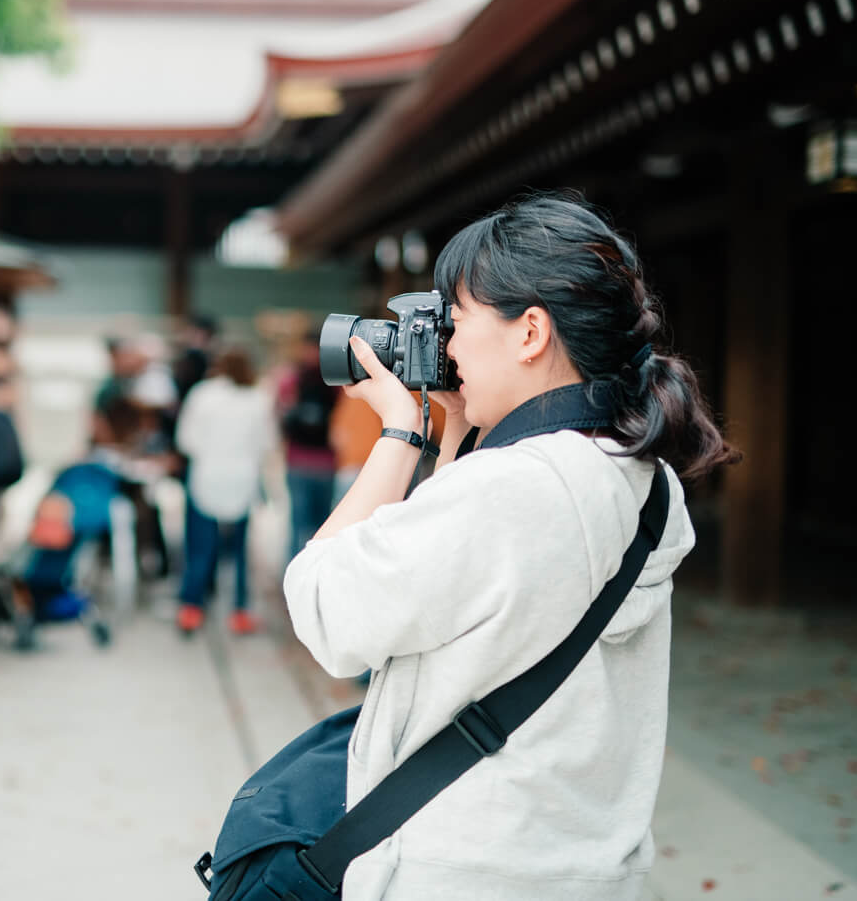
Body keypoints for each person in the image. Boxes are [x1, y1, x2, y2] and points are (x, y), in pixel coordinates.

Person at [283, 195, 736, 899]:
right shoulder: (641, 480)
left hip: (463, 870)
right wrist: (459, 435)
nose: (448, 348)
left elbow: (327, 610)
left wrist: (402, 434)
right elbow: (480, 587)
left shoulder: (512, 490)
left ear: (530, 332)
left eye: (455, 322)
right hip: (578, 866)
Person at [173, 346, 277, 636]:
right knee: (241, 550)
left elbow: (185, 439)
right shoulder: (258, 399)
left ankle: (191, 607)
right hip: (242, 479)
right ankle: (240, 611)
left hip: (205, 477)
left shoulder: (202, 395)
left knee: (199, 545)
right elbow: (267, 443)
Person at [274, 337, 336, 564]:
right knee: (300, 523)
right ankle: (295, 574)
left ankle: (313, 571)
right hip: (301, 462)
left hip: (323, 463)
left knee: (319, 525)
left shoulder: (332, 381)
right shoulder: (294, 380)